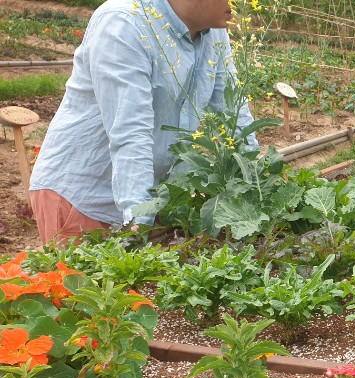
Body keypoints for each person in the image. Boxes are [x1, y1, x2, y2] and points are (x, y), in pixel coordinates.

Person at [29, 0, 255, 245]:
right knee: (85, 282)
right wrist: (139, 223)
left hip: (150, 198)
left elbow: (233, 110)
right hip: (86, 198)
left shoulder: (213, 31)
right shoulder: (125, 22)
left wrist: (256, 184)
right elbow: (130, 132)